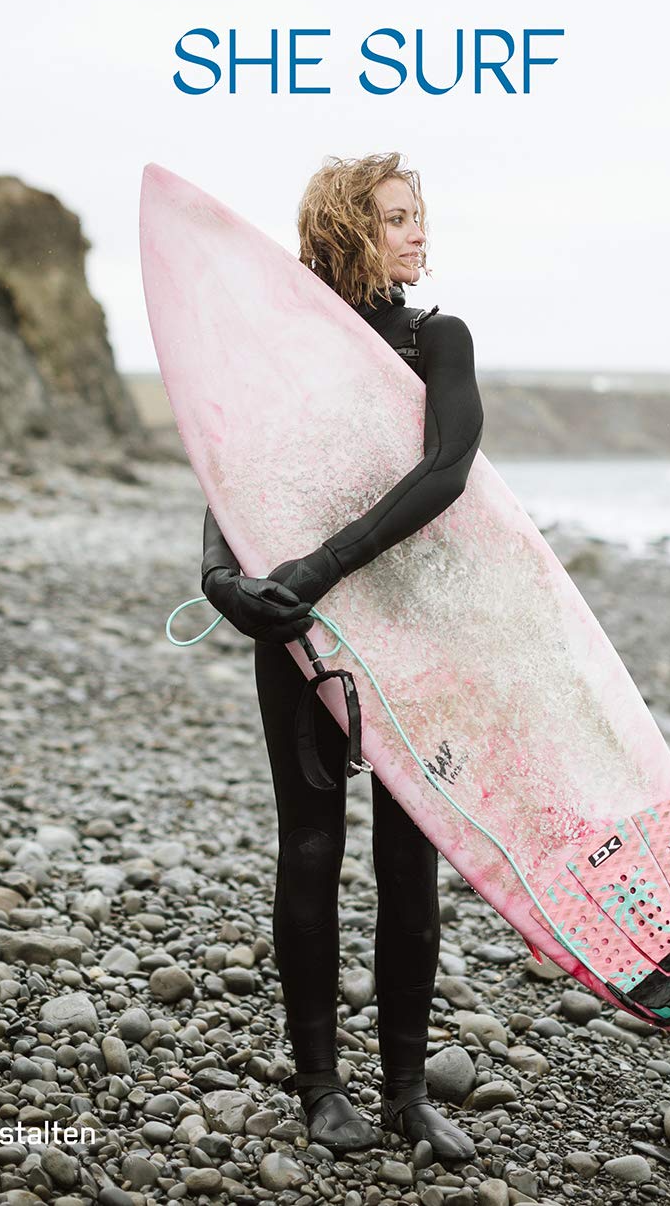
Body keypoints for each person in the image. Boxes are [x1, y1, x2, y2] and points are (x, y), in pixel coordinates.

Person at [200, 154, 484, 1160]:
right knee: (311, 847)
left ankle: (406, 1092)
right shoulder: (281, 353)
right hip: (300, 629)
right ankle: (320, 1087)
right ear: (349, 229)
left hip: (413, 625)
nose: (418, 232)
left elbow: (446, 469)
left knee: (408, 858)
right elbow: (233, 476)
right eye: (397, 217)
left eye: (418, 215)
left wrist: (318, 565)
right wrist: (222, 582)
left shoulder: (437, 338)